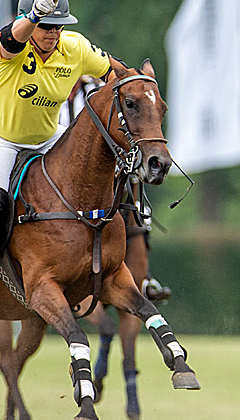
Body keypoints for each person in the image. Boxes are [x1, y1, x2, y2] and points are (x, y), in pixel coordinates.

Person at [0, 0, 115, 320]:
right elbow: (10, 38)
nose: (53, 33)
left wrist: (140, 87)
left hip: (45, 136)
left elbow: (116, 73)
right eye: (46, 25)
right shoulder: (10, 48)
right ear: (30, 22)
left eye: (58, 26)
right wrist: (32, 17)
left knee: (96, 176)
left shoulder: (76, 48)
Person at [59, 75, 172, 304]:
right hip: (61, 166)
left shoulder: (98, 89)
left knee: (135, 200)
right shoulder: (50, 89)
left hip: (101, 165)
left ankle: (145, 276)